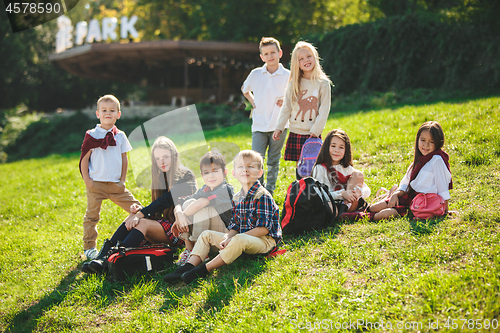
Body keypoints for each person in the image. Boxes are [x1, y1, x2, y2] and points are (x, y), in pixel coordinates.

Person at [163, 150, 282, 284]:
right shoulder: (238, 197)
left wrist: (234, 238)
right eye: (241, 167)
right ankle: (188, 266)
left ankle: (203, 270)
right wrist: (228, 237)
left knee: (239, 239)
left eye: (251, 166)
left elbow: (263, 229)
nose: (246, 170)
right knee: (206, 234)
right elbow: (235, 225)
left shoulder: (262, 196)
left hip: (264, 242)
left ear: (260, 173)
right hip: (242, 240)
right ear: (234, 173)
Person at [82, 136, 197, 273]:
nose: (162, 162)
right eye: (157, 159)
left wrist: (141, 214)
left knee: (141, 222)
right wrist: (138, 211)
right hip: (167, 225)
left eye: (166, 157)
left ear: (174, 155)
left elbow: (166, 200)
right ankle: (102, 258)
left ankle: (113, 258)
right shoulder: (161, 176)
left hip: (182, 230)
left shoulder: (186, 175)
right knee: (133, 218)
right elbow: (157, 208)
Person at [345, 121, 452, 221]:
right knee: (374, 207)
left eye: (431, 142)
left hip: (423, 201)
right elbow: (406, 182)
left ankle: (361, 217)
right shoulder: (418, 161)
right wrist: (396, 194)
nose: (426, 145)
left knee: (384, 214)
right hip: (409, 195)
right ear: (417, 139)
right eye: (423, 140)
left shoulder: (437, 160)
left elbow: (442, 186)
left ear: (438, 143)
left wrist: (445, 209)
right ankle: (362, 211)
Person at [79, 94, 141, 260]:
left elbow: (124, 158)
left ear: (118, 114)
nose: (108, 113)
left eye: (112, 110)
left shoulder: (120, 136)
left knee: (138, 209)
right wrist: (87, 181)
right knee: (92, 216)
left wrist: (122, 180)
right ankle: (89, 247)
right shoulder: (91, 135)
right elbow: (84, 159)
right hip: (96, 185)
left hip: (116, 185)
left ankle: (136, 238)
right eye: (104, 110)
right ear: (97, 113)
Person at [273, 41, 332, 179]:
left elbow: (324, 110)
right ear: (297, 63)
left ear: (315, 57)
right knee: (300, 169)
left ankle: (314, 194)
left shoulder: (323, 84)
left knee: (313, 167)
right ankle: (301, 194)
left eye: (309, 56)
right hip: (296, 132)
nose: (306, 60)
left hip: (312, 133)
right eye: (301, 58)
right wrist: (279, 127)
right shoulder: (294, 83)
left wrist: (316, 130)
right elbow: (286, 107)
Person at [241, 37, 290, 195]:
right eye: (266, 53)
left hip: (279, 125)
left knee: (273, 160)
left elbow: (294, 94)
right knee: (256, 161)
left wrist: (286, 99)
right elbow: (244, 89)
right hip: (259, 125)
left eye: (273, 52)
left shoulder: (287, 75)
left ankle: (270, 191)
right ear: (262, 57)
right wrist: (253, 100)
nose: (270, 56)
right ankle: (258, 192)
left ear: (280, 53)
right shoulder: (256, 74)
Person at [172, 150, 234, 265]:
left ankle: (199, 251)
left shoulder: (225, 189)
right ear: (202, 175)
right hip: (208, 234)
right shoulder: (205, 188)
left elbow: (199, 204)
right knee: (188, 203)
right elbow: (181, 202)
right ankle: (189, 249)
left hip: (223, 237)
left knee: (203, 209)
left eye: (215, 171)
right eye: (206, 172)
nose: (211, 175)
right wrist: (178, 214)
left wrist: (181, 218)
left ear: (225, 172)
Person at [311, 129, 371, 213]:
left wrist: (359, 193)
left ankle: (346, 210)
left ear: (346, 150)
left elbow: (367, 190)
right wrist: (342, 194)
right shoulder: (320, 168)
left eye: (341, 147)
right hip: (331, 205)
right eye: (333, 146)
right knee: (329, 207)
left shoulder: (347, 168)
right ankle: (342, 213)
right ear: (326, 147)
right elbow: (319, 195)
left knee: (358, 174)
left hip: (348, 204)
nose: (337, 150)